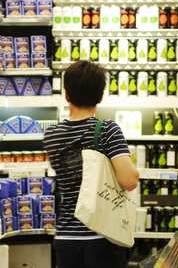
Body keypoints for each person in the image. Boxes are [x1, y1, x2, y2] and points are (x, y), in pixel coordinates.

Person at [43, 61, 140, 268]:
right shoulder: (107, 130)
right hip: (101, 235)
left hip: (66, 238)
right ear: (101, 95)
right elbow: (129, 180)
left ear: (67, 94)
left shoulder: (51, 134)